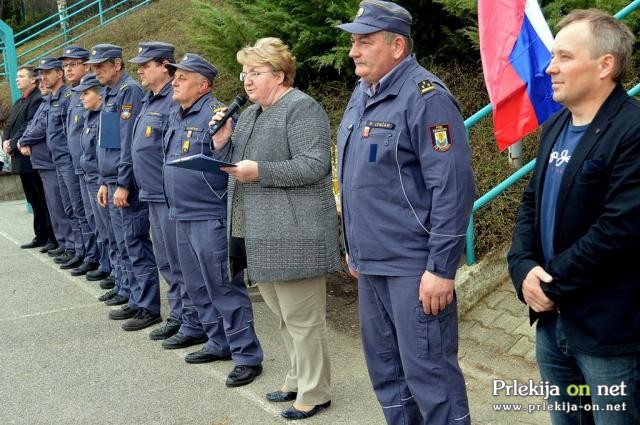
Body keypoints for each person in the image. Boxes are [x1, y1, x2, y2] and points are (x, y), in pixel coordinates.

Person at [335, 1, 475, 424]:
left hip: (414, 267)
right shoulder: (364, 93)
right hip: (371, 263)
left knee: (429, 375)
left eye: (365, 42)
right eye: (353, 42)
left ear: (397, 46)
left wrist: (442, 267)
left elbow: (452, 187)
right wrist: (353, 248)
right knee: (387, 374)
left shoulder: (425, 98)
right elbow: (356, 178)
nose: (354, 52)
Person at [507, 9, 639, 425]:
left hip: (608, 331)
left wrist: (553, 284)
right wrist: (524, 268)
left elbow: (620, 228)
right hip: (551, 322)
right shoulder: (556, 125)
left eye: (564, 57)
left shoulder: (632, 130)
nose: (550, 68)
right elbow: (531, 204)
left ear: (605, 65)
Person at [211, 38, 340, 420]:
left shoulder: (301, 108)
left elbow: (315, 164)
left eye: (255, 72)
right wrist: (221, 144)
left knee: (304, 318)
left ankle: (316, 392)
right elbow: (237, 164)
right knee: (285, 317)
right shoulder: (251, 114)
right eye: (244, 72)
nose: (246, 80)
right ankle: (298, 376)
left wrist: (261, 172)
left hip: (294, 233)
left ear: (279, 75)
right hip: (258, 231)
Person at [162, 53, 263, 387]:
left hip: (210, 215)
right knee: (196, 285)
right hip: (182, 214)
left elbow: (231, 159)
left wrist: (222, 141)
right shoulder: (178, 114)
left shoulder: (216, 114)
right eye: (175, 77)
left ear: (203, 84)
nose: (174, 81)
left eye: (183, 77)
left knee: (223, 286)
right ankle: (219, 341)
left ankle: (246, 354)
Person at [127, 41, 204, 336]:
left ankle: (192, 320)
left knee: (181, 263)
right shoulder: (150, 99)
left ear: (165, 66)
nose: (141, 71)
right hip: (152, 193)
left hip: (169, 194)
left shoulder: (174, 101)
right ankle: (179, 315)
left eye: (146, 65)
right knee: (167, 262)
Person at [86, 44, 160, 322]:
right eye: (93, 67)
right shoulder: (110, 93)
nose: (96, 71)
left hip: (125, 182)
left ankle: (148, 306)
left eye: (101, 66)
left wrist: (123, 183)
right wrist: (106, 181)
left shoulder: (129, 91)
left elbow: (129, 143)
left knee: (135, 243)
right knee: (123, 243)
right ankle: (133, 295)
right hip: (112, 179)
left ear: (117, 64)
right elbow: (109, 142)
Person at [59, 46, 106, 279]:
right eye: (64, 65)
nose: (67, 69)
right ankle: (93, 257)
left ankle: (102, 263)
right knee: (86, 216)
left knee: (107, 227)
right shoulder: (76, 96)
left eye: (72, 64)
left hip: (98, 173)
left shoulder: (99, 101)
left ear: (86, 66)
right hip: (82, 168)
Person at [35, 57, 86, 270]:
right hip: (58, 160)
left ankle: (84, 252)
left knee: (78, 210)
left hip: (69, 160)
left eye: (48, 72)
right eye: (42, 73)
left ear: (58, 75)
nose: (44, 77)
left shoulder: (67, 96)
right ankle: (80, 251)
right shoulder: (55, 97)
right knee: (70, 208)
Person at [2, 65, 54, 250]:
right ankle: (40, 235)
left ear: (33, 80)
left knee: (43, 198)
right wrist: (5, 141)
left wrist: (14, 142)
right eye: (17, 76)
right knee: (33, 199)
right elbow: (9, 124)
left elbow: (28, 125)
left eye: (21, 76)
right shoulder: (19, 102)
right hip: (19, 158)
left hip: (31, 157)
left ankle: (51, 238)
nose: (17, 79)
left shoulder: (37, 99)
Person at [16, 72, 67, 255]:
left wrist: (22, 141)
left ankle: (71, 247)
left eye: (46, 78)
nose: (42, 83)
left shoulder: (53, 100)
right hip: (44, 162)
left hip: (54, 161)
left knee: (62, 208)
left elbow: (39, 128)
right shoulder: (45, 102)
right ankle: (65, 245)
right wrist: (21, 140)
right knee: (55, 207)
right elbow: (31, 125)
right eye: (41, 79)